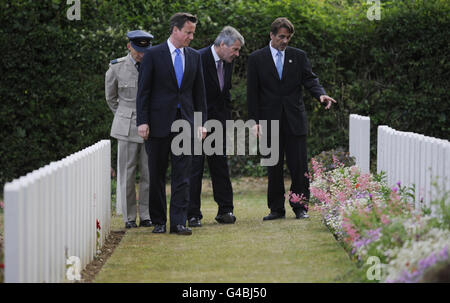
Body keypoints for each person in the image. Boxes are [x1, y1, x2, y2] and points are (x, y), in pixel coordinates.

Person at [247, 17, 336, 221]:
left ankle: (300, 206)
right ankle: (276, 209)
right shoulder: (256, 58)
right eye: (281, 37)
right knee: (274, 167)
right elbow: (252, 93)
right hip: (270, 121)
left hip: (295, 120)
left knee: (299, 167)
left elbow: (310, 79)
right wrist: (254, 121)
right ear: (271, 35)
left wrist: (320, 94)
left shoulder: (298, 56)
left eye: (288, 37)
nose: (285, 41)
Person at [136, 13, 207, 235]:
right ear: (175, 30)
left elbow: (199, 95)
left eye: (193, 32)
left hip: (185, 123)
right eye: (188, 32)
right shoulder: (153, 54)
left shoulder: (194, 57)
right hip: (157, 124)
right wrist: (142, 121)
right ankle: (159, 220)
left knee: (183, 174)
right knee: (156, 173)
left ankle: (178, 222)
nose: (191, 37)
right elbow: (143, 92)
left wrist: (201, 123)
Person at [187, 26, 244, 227]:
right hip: (196, 122)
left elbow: (224, 94)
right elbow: (190, 93)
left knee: (220, 166)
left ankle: (225, 210)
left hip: (219, 123)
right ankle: (192, 214)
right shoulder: (197, 58)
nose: (237, 54)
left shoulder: (228, 62)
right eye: (235, 50)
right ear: (221, 45)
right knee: (194, 167)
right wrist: (196, 123)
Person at [105, 30, 154, 229]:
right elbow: (111, 98)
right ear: (129, 47)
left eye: (145, 50)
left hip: (150, 126)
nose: (141, 54)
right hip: (126, 126)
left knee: (149, 173)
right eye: (138, 50)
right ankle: (129, 217)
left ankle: (146, 214)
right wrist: (125, 115)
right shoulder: (116, 68)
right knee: (126, 173)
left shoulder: (153, 64)